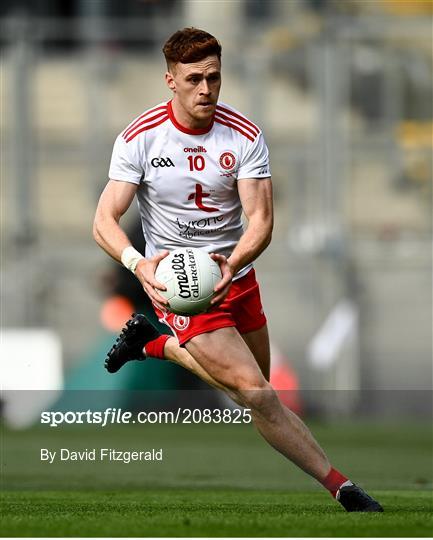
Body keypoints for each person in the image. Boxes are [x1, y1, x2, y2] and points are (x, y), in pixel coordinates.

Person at [93, 27, 383, 513]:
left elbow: (262, 220)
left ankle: (153, 344)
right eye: (193, 80)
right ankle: (344, 489)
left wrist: (235, 262)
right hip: (180, 285)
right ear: (170, 81)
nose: (206, 89)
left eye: (214, 78)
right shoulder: (139, 138)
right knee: (258, 394)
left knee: (254, 393)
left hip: (235, 276)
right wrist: (138, 263)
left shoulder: (244, 135)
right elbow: (104, 221)